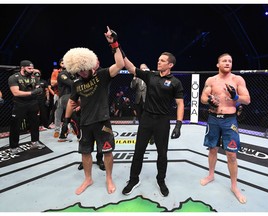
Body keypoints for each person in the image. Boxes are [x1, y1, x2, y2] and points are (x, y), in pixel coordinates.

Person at [59, 26, 124, 195]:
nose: (81, 71)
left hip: (102, 121)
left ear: (89, 65)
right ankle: (88, 179)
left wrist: (114, 44)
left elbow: (120, 64)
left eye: (83, 68)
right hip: (85, 122)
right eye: (78, 69)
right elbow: (71, 102)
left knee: (108, 151)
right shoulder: (76, 83)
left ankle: (109, 178)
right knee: (85, 153)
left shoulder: (102, 75)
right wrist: (65, 122)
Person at [122, 52, 184, 197]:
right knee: (138, 151)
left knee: (162, 154)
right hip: (146, 119)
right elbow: (131, 68)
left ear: (170, 65)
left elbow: (180, 103)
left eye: (162, 61)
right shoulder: (151, 75)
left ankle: (161, 180)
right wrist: (118, 48)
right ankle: (133, 179)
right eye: (158, 60)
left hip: (162, 121)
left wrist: (179, 124)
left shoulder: (175, 82)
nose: (159, 62)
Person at [200, 53, 250, 204]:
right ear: (218, 64)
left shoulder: (237, 79)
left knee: (232, 155)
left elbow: (247, 100)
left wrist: (235, 97)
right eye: (224, 61)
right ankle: (211, 175)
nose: (228, 63)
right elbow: (202, 97)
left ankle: (234, 186)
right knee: (212, 149)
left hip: (230, 121)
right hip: (213, 119)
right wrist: (209, 100)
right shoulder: (211, 80)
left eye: (230, 61)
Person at [8, 60, 46, 154]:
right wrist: (32, 92)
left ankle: (35, 142)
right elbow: (15, 92)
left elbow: (38, 87)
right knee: (15, 125)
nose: (31, 70)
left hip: (33, 103)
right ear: (22, 68)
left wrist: (38, 89)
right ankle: (13, 146)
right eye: (29, 68)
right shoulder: (14, 77)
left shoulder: (34, 77)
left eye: (32, 68)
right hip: (20, 104)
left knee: (35, 123)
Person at [130, 63, 155, 144]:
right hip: (138, 101)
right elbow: (132, 87)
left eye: (144, 68)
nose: (143, 69)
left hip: (147, 101)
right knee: (140, 119)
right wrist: (134, 77)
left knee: (148, 119)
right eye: (141, 68)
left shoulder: (150, 77)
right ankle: (144, 136)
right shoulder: (137, 78)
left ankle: (152, 136)